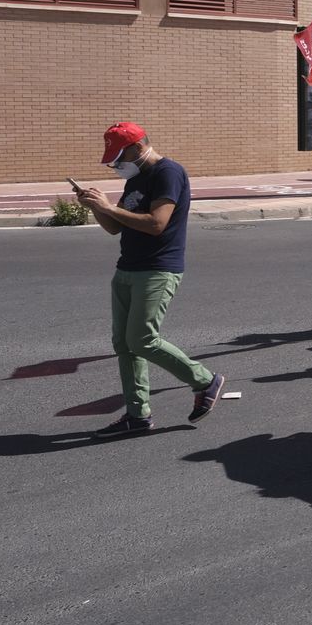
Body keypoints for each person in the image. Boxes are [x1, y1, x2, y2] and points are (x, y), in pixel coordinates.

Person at [76, 123, 226, 437]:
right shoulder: (137, 178)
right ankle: (137, 414)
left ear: (138, 146)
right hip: (127, 268)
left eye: (118, 157)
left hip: (157, 269)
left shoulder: (167, 172)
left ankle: (205, 381)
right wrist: (97, 206)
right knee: (124, 344)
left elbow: (157, 224)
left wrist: (106, 207)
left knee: (142, 339)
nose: (116, 164)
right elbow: (116, 227)